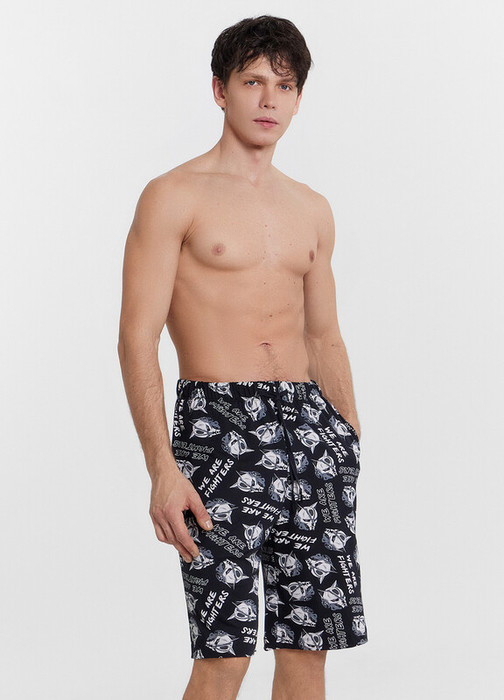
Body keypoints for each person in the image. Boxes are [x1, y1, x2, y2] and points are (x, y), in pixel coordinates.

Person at [117, 14, 368, 700]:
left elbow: (324, 336)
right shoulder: (174, 195)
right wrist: (162, 469)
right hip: (218, 425)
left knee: (308, 650)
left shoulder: (312, 208)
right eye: (252, 81)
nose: (268, 100)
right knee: (224, 655)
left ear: (298, 98)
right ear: (219, 90)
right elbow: (136, 336)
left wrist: (347, 437)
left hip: (310, 431)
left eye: (284, 86)